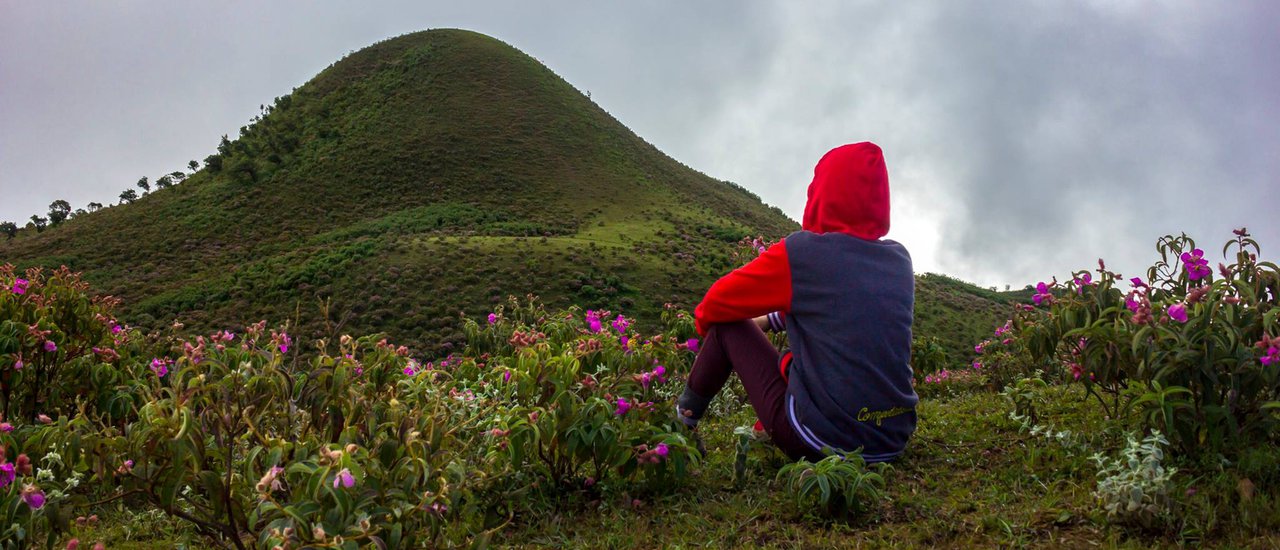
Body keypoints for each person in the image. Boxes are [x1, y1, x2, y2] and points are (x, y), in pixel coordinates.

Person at [676, 142, 917, 462]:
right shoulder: (898, 259)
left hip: (821, 442)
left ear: (822, 192)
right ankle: (767, 422)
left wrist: (713, 337)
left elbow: (714, 306)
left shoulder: (805, 254)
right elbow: (835, 308)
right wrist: (765, 321)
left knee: (725, 328)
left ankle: (680, 428)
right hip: (891, 439)